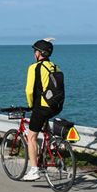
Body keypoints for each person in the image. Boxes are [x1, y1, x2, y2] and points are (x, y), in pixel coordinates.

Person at [23, 38, 61, 181]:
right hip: (55, 106)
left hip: (42, 107)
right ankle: (51, 146)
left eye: (35, 51)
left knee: (31, 137)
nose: (34, 54)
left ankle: (34, 170)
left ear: (39, 54)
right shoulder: (55, 67)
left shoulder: (34, 67)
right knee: (44, 127)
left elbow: (29, 91)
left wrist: (31, 105)